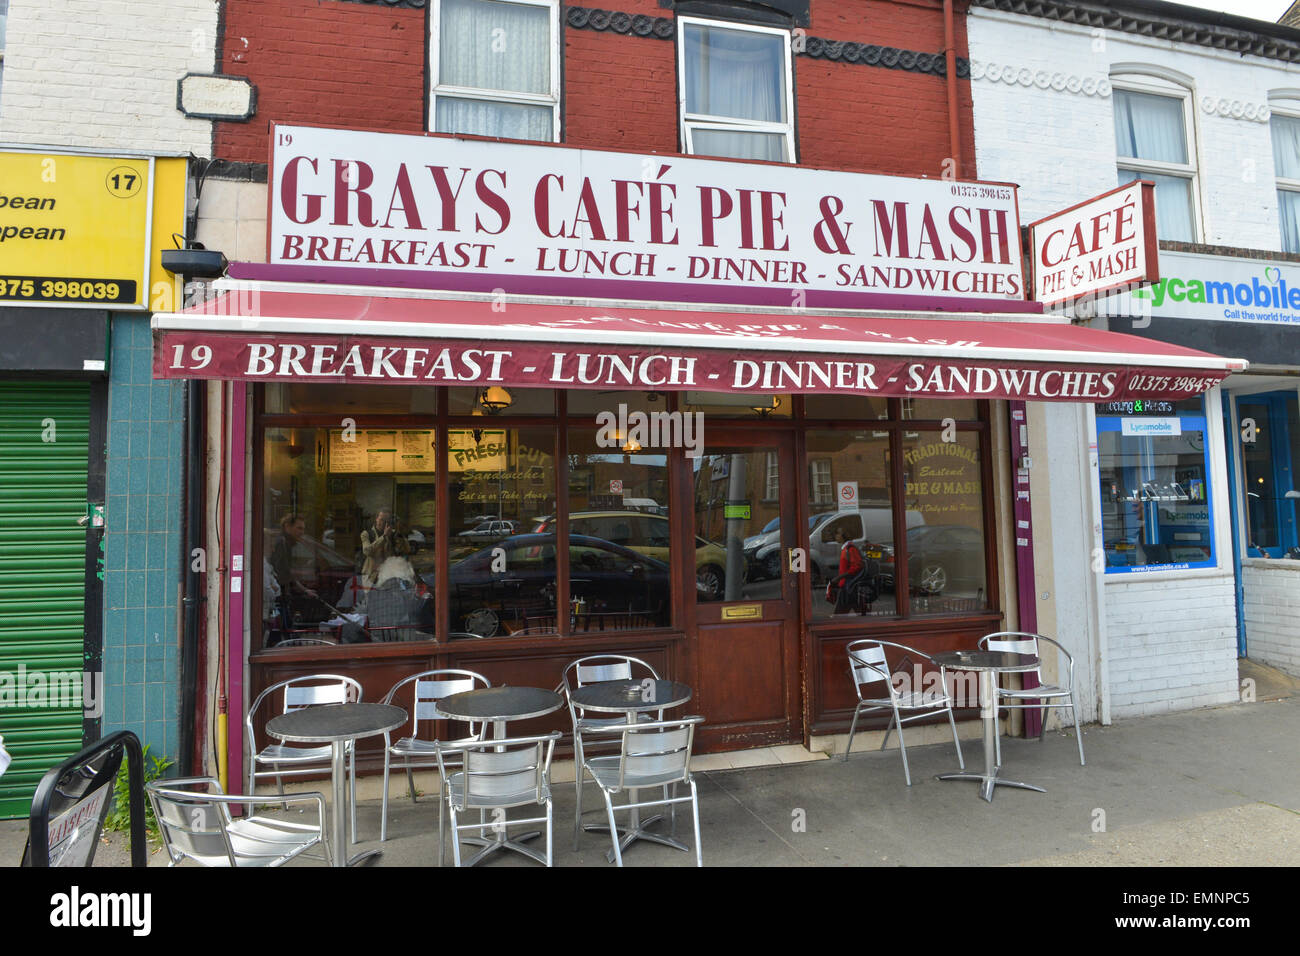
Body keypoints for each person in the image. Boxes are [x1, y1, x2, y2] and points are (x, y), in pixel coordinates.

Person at [268, 513, 318, 638]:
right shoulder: (282, 543)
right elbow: (283, 572)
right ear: (287, 527)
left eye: (303, 529)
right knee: (285, 630)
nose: (302, 532)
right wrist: (302, 589)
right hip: (278, 594)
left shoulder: (287, 543)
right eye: (299, 528)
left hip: (281, 592)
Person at [359, 508, 408, 587]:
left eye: (386, 521)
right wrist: (384, 537)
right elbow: (367, 551)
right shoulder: (367, 534)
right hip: (371, 576)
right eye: (381, 519)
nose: (383, 523)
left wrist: (400, 533)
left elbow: (405, 550)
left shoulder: (393, 534)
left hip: (387, 576)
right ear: (376, 519)